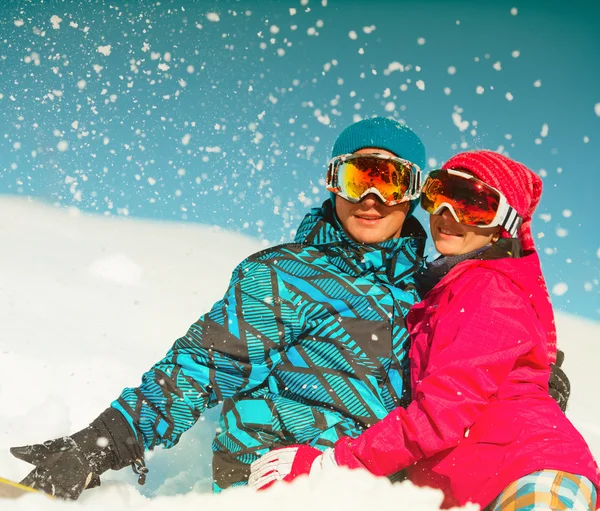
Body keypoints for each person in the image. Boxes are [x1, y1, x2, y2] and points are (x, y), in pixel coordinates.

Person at [10, 117, 430, 499]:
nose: (371, 198)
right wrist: (99, 444)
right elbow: (202, 366)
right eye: (357, 179)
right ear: (333, 183)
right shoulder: (288, 275)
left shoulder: (428, 296)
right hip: (281, 482)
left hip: (376, 487)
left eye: (390, 182)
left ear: (412, 194)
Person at [248, 151, 599, 511]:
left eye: (473, 206)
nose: (447, 216)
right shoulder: (446, 291)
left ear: (504, 224)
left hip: (528, 476)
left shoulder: (488, 289)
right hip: (481, 486)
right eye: (439, 196)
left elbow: (439, 415)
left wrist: (331, 466)